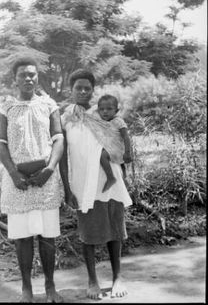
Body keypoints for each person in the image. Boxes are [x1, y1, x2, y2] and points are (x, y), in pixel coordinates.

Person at [0, 57, 65, 303]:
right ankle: (26, 289)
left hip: (45, 180)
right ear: (14, 79)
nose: (28, 78)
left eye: (32, 74)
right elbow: (1, 145)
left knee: (47, 237)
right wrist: (14, 174)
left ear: (38, 77)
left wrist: (50, 169)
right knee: (23, 238)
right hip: (18, 183)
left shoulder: (48, 104)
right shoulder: (7, 107)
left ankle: (50, 287)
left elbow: (58, 139)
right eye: (23, 75)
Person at [59, 70, 132, 300]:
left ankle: (117, 276)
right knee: (88, 233)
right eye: (78, 88)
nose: (82, 92)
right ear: (70, 90)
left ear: (92, 90)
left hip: (109, 179)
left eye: (87, 88)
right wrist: (66, 188)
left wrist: (124, 174)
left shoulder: (101, 113)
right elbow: (62, 156)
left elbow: (117, 139)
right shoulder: (64, 118)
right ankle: (92, 280)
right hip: (82, 183)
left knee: (115, 231)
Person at [95, 94, 132, 182]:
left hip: (119, 150)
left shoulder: (118, 121)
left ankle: (110, 177)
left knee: (102, 156)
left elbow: (126, 137)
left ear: (116, 110)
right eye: (102, 109)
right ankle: (124, 183)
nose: (105, 111)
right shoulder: (102, 122)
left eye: (109, 109)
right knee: (121, 170)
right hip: (111, 149)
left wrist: (127, 152)